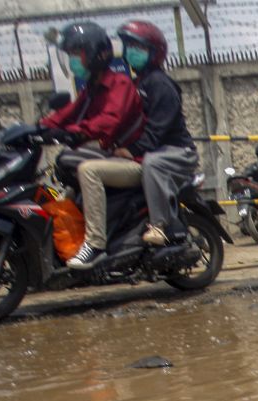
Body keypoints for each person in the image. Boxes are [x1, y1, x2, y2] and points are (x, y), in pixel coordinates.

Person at [41, 21, 145, 269]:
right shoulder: (92, 88)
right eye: (71, 56)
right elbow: (71, 112)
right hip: (114, 156)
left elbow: (109, 121)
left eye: (77, 54)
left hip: (134, 160)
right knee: (66, 161)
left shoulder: (119, 85)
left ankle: (96, 244)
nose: (74, 61)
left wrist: (74, 132)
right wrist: (38, 127)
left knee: (88, 170)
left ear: (97, 53)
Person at [116, 20, 198, 247]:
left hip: (177, 151)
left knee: (152, 164)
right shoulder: (138, 83)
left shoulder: (160, 84)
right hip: (157, 149)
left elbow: (157, 129)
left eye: (138, 47)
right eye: (129, 46)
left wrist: (131, 150)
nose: (131, 52)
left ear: (154, 52)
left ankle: (159, 225)